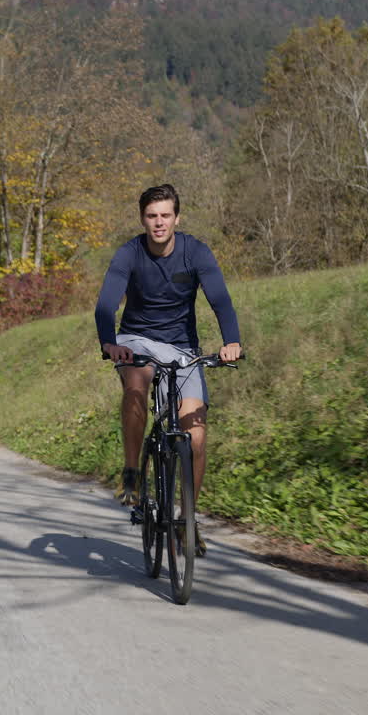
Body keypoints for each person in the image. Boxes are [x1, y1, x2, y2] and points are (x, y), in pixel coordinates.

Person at [94, 184, 242, 555]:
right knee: (135, 390)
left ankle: (188, 519)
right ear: (142, 218)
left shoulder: (196, 252)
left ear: (177, 217)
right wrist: (109, 342)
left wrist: (231, 341)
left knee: (196, 436)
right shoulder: (130, 253)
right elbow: (105, 305)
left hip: (183, 348)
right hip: (136, 341)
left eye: (165, 215)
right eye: (151, 216)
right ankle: (131, 473)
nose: (158, 223)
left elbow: (220, 299)